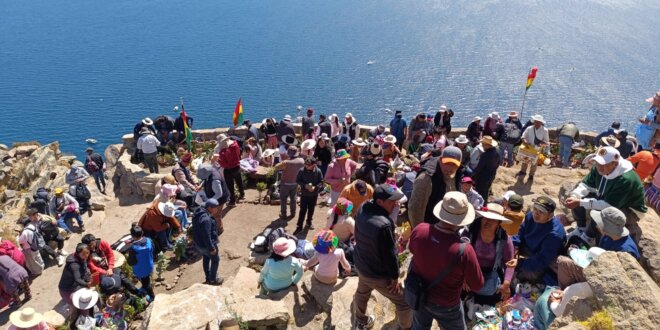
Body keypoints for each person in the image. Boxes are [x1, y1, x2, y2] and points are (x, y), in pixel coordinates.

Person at [408, 192, 483, 330]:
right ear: (462, 220)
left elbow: (413, 251)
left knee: (419, 327)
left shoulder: (420, 230)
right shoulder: (464, 250)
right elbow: (477, 284)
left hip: (419, 293)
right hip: (447, 304)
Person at [352, 184, 410, 329]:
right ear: (380, 202)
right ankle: (407, 327)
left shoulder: (363, 207)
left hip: (361, 263)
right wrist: (395, 278)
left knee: (362, 292)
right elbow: (390, 255)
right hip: (377, 274)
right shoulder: (384, 225)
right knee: (404, 302)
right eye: (392, 201)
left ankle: (360, 320)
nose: (396, 204)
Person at [564, 146, 646, 244]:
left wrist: (581, 202)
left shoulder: (626, 179)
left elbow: (609, 205)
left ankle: (588, 237)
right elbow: (586, 185)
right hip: (608, 198)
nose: (599, 166)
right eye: (598, 163)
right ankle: (581, 228)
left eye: (603, 164)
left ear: (614, 164)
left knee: (604, 213)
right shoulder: (599, 168)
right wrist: (575, 196)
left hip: (630, 210)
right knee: (578, 196)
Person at [556, 207, 640, 289]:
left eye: (599, 223)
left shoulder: (627, 251)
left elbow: (619, 279)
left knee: (562, 262)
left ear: (607, 228)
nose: (596, 226)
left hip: (605, 280)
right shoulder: (608, 236)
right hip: (598, 268)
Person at [465, 203, 516, 305]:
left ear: (498, 223)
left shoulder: (504, 239)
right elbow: (460, 256)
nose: (487, 221)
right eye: (485, 218)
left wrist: (506, 283)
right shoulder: (471, 232)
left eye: (492, 219)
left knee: (498, 298)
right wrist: (463, 277)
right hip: (470, 270)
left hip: (492, 273)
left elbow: (509, 262)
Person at [511, 196, 566, 285]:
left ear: (550, 214)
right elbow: (520, 231)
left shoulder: (554, 234)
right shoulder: (531, 216)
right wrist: (515, 246)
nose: (536, 214)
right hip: (530, 247)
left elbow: (542, 260)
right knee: (507, 245)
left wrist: (519, 263)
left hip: (546, 257)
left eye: (541, 212)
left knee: (523, 275)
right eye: (535, 209)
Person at [408, 146, 463, 228]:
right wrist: (420, 232)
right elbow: (415, 210)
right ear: (440, 160)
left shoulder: (457, 172)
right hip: (430, 227)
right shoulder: (426, 178)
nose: (449, 168)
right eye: (446, 163)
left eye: (453, 165)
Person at [192, 199, 224, 285]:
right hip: (206, 245)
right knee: (215, 260)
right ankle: (213, 279)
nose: (217, 209)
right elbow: (207, 236)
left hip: (199, 244)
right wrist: (211, 248)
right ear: (209, 207)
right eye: (215, 208)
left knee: (206, 258)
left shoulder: (198, 212)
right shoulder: (206, 220)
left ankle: (208, 277)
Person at [294, 157, 324, 235]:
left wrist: (315, 187)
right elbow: (298, 180)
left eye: (309, 165)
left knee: (311, 209)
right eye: (306, 164)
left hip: (314, 195)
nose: (306, 166)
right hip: (304, 195)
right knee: (302, 210)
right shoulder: (301, 171)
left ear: (314, 165)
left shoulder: (318, 171)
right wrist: (305, 185)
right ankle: (299, 226)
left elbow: (321, 182)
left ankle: (309, 222)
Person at [274, 146, 305, 220]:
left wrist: (285, 160)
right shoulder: (301, 160)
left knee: (283, 199)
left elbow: (276, 167)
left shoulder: (286, 162)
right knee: (293, 199)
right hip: (295, 183)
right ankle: (293, 213)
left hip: (285, 183)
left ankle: (283, 214)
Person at [518, 114, 549, 180]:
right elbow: (523, 136)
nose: (537, 123)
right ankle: (523, 171)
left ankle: (531, 175)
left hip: (536, 149)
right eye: (535, 121)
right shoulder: (529, 128)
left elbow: (546, 142)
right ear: (534, 121)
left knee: (534, 163)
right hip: (528, 147)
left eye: (538, 122)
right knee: (524, 160)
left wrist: (540, 144)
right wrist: (525, 141)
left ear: (541, 122)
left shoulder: (545, 130)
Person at [216, 134, 244, 206]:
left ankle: (232, 201)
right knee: (239, 181)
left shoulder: (223, 152)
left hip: (228, 170)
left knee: (230, 186)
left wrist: (219, 161)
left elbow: (224, 164)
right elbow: (239, 153)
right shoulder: (235, 145)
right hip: (237, 167)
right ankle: (242, 194)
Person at [128, 224, 155, 299]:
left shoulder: (133, 248)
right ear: (142, 233)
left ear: (133, 236)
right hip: (149, 265)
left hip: (140, 270)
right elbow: (153, 250)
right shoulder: (149, 240)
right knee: (146, 279)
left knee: (146, 284)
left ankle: (152, 297)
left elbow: (131, 262)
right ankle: (145, 286)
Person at [18, 211, 46, 276]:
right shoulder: (33, 225)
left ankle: (37, 272)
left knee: (32, 261)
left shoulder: (25, 231)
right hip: (35, 244)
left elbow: (21, 241)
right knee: (38, 256)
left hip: (28, 248)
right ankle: (42, 265)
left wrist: (18, 238)